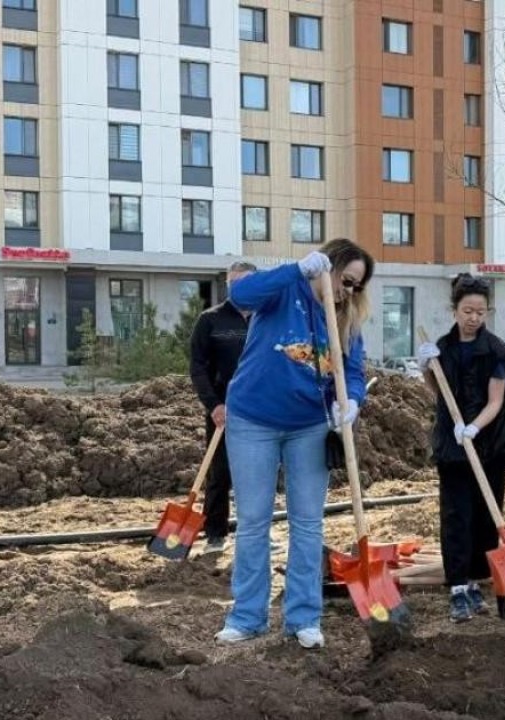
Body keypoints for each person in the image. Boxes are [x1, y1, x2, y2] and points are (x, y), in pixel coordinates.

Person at [214, 239, 374, 650]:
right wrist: (295, 269)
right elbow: (239, 294)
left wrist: (352, 400)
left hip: (310, 427)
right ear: (328, 267)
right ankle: (247, 616)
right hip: (253, 420)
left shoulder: (346, 321)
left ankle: (303, 617)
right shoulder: (285, 289)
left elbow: (353, 371)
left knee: (307, 522)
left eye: (356, 286)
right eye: (345, 279)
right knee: (253, 521)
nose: (347, 291)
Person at [416, 274, 505, 623]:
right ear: (454, 310)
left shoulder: (496, 349)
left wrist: (474, 427)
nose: (474, 317)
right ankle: (458, 586)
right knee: (456, 514)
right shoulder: (443, 346)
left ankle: (477, 581)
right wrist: (427, 367)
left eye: (480, 311)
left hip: (488, 443)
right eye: (467, 310)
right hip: (453, 446)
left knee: (486, 515)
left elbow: (496, 400)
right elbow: (437, 392)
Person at [189, 261, 257, 554]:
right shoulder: (211, 320)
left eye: (246, 282)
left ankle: (254, 533)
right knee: (220, 472)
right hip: (223, 411)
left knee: (259, 473)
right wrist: (213, 404)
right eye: (234, 283)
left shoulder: (266, 319)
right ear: (228, 285)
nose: (239, 288)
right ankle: (215, 533)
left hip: (263, 411)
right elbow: (197, 367)